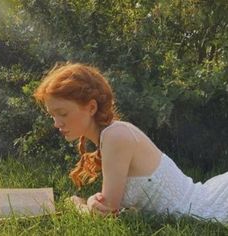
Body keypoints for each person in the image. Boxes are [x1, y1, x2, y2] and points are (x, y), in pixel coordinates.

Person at [34, 62, 228, 222]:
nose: (56, 124)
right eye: (52, 115)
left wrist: (76, 204)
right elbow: (121, 211)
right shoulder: (110, 135)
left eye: (63, 113)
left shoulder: (115, 135)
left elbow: (107, 214)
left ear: (91, 107)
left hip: (210, 206)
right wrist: (92, 204)